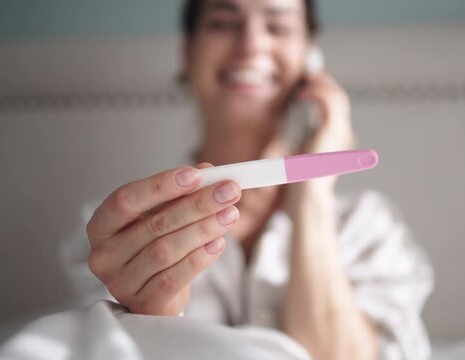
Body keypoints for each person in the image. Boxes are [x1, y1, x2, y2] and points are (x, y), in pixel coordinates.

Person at [60, 0, 434, 359]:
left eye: (278, 26)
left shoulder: (367, 229)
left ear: (311, 59)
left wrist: (312, 193)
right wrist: (154, 314)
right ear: (188, 53)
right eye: (223, 23)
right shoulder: (123, 234)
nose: (251, 44)